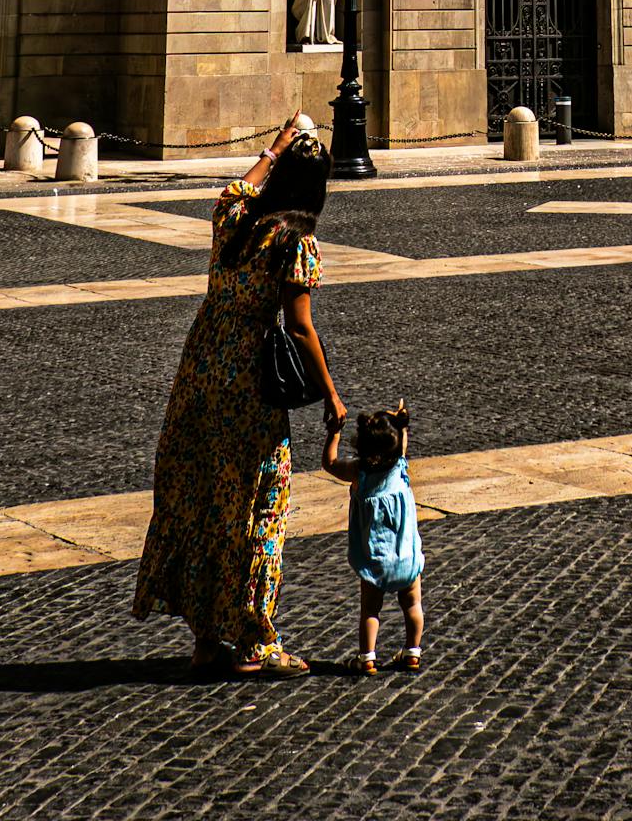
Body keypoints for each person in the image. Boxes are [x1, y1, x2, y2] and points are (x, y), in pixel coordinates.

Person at [132, 117, 344, 676]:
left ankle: (207, 637)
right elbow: (299, 327)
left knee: (209, 501)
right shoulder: (297, 242)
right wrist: (331, 394)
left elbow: (236, 189)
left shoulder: (236, 222)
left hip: (200, 372)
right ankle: (254, 639)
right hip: (248, 385)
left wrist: (273, 148)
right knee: (260, 505)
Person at [321, 398, 425, 674]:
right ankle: (412, 652)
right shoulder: (399, 467)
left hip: (375, 560)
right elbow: (401, 441)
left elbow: (329, 463)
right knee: (412, 604)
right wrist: (402, 419)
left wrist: (334, 432)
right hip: (405, 557)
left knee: (370, 611)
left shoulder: (359, 472)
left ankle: (367, 656)